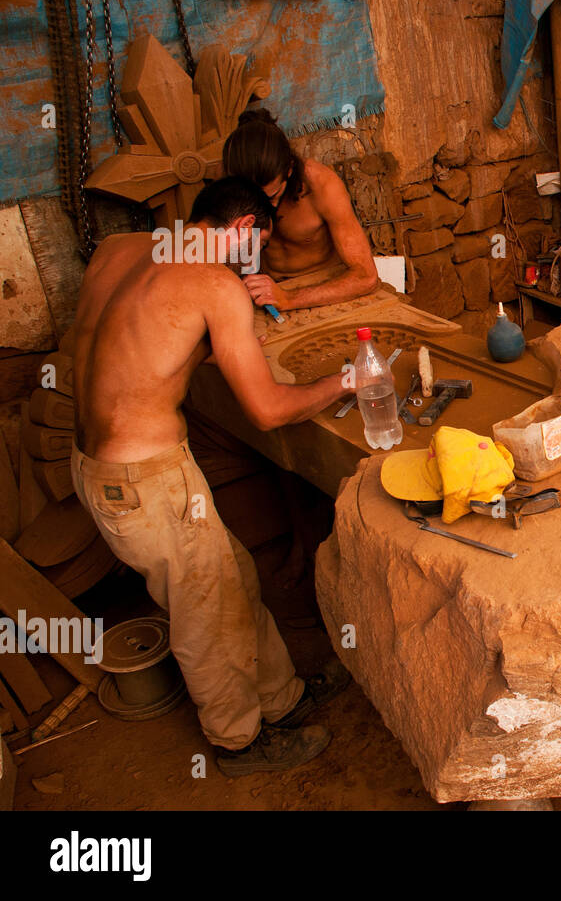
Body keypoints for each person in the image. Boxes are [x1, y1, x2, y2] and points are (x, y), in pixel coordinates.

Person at [69, 177, 353, 777]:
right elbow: (269, 410)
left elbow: (136, 341)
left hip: (97, 468)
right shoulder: (215, 284)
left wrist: (216, 340)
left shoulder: (118, 250)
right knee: (206, 612)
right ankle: (238, 744)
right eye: (255, 246)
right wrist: (344, 382)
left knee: (231, 578)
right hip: (147, 479)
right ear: (245, 228)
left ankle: (282, 698)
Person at [222, 108, 380, 311]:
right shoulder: (224, 188)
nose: (262, 209)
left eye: (271, 197)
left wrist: (288, 299)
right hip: (265, 294)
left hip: (325, 290)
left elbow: (366, 277)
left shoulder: (321, 185)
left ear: (288, 169)